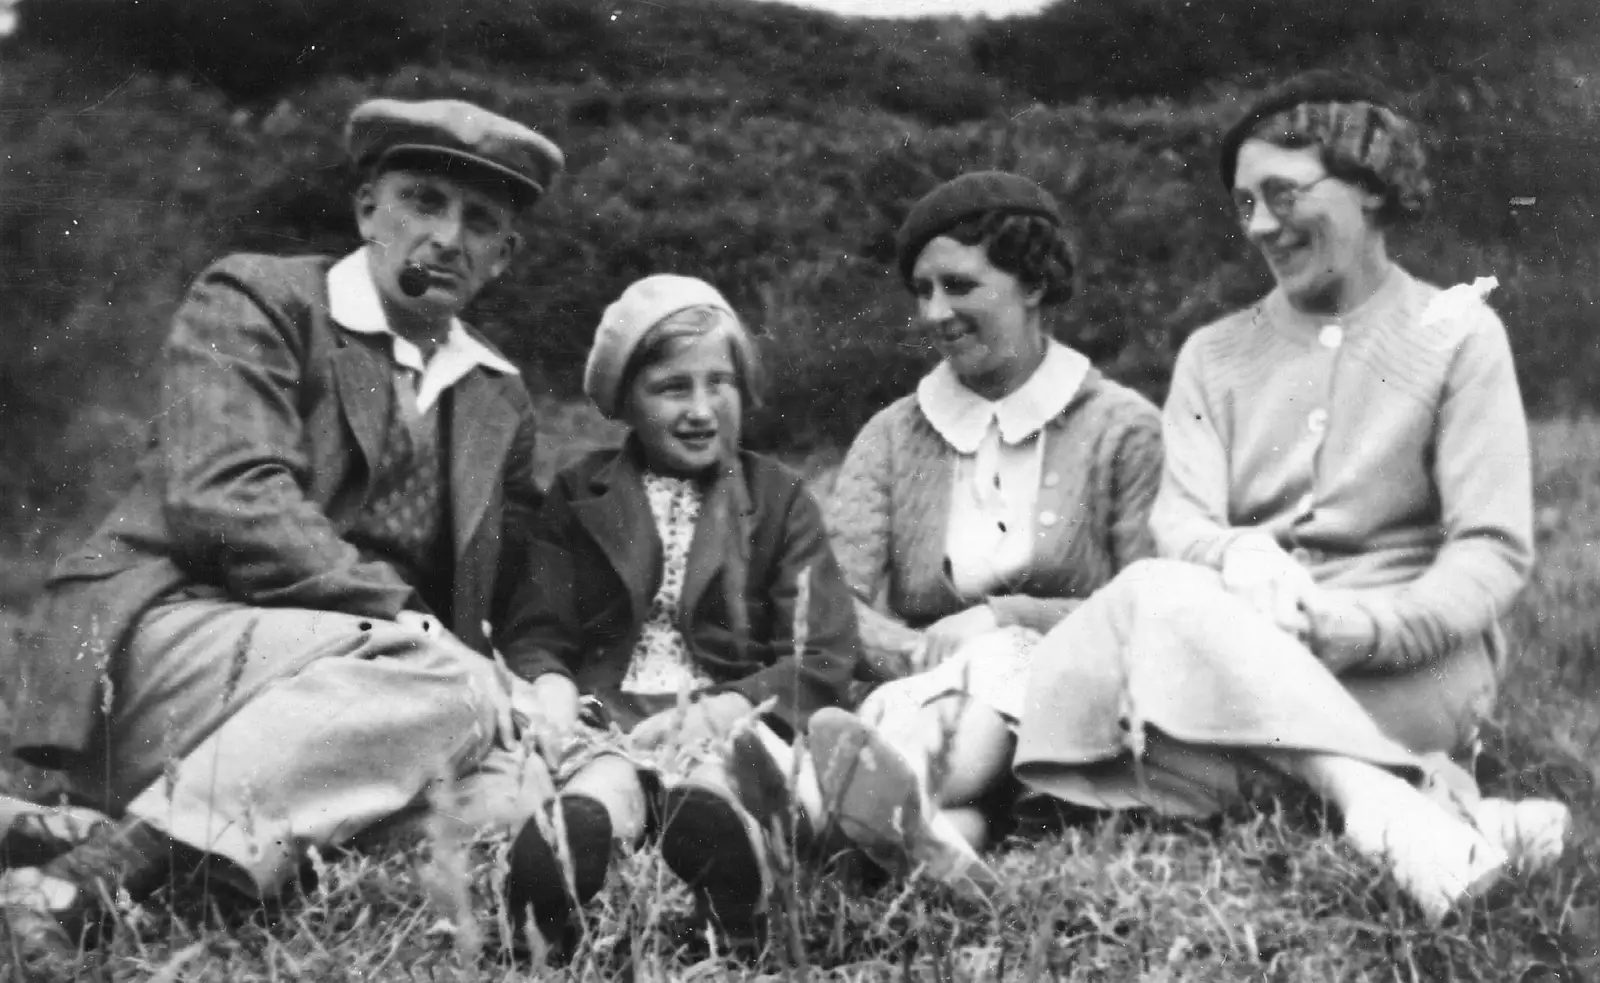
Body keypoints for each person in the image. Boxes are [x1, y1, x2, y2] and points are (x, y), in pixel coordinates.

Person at [2, 98, 564, 964]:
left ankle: (119, 834)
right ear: (367, 207)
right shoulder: (259, 298)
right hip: (177, 634)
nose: (448, 237)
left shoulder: (498, 396)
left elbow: (515, 588)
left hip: (355, 707)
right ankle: (79, 879)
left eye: (479, 221)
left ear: (503, 255)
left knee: (518, 795)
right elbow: (227, 498)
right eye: (422, 200)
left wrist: (547, 691)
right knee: (445, 684)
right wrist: (417, 628)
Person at [1007, 70, 1570, 922]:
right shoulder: (1212, 352)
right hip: (1249, 639)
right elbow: (1182, 522)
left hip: (1410, 666)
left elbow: (1491, 551)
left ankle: (1362, 781)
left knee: (1117, 709)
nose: (1262, 226)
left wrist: (1368, 629)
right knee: (1157, 588)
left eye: (1282, 194)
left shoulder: (1458, 332)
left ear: (1372, 188)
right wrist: (1237, 551)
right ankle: (1405, 801)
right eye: (1244, 205)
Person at [808, 172, 1164, 891]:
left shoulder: (1123, 428)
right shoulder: (891, 436)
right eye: (922, 290)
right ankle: (932, 841)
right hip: (924, 690)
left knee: (1000, 663)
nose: (935, 312)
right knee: (940, 721)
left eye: (959, 286)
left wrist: (1005, 619)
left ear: (1033, 283)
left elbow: (1152, 605)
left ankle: (808, 814)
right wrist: (920, 651)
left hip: (1070, 706)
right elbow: (834, 602)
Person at [493, 274, 861, 953]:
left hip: (727, 713)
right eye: (671, 388)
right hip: (611, 708)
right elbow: (538, 626)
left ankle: (732, 887)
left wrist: (724, 709)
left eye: (718, 383)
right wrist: (549, 682)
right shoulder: (580, 493)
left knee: (712, 783)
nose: (700, 408)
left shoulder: (778, 500)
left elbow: (825, 652)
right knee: (604, 779)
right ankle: (562, 869)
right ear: (625, 400)